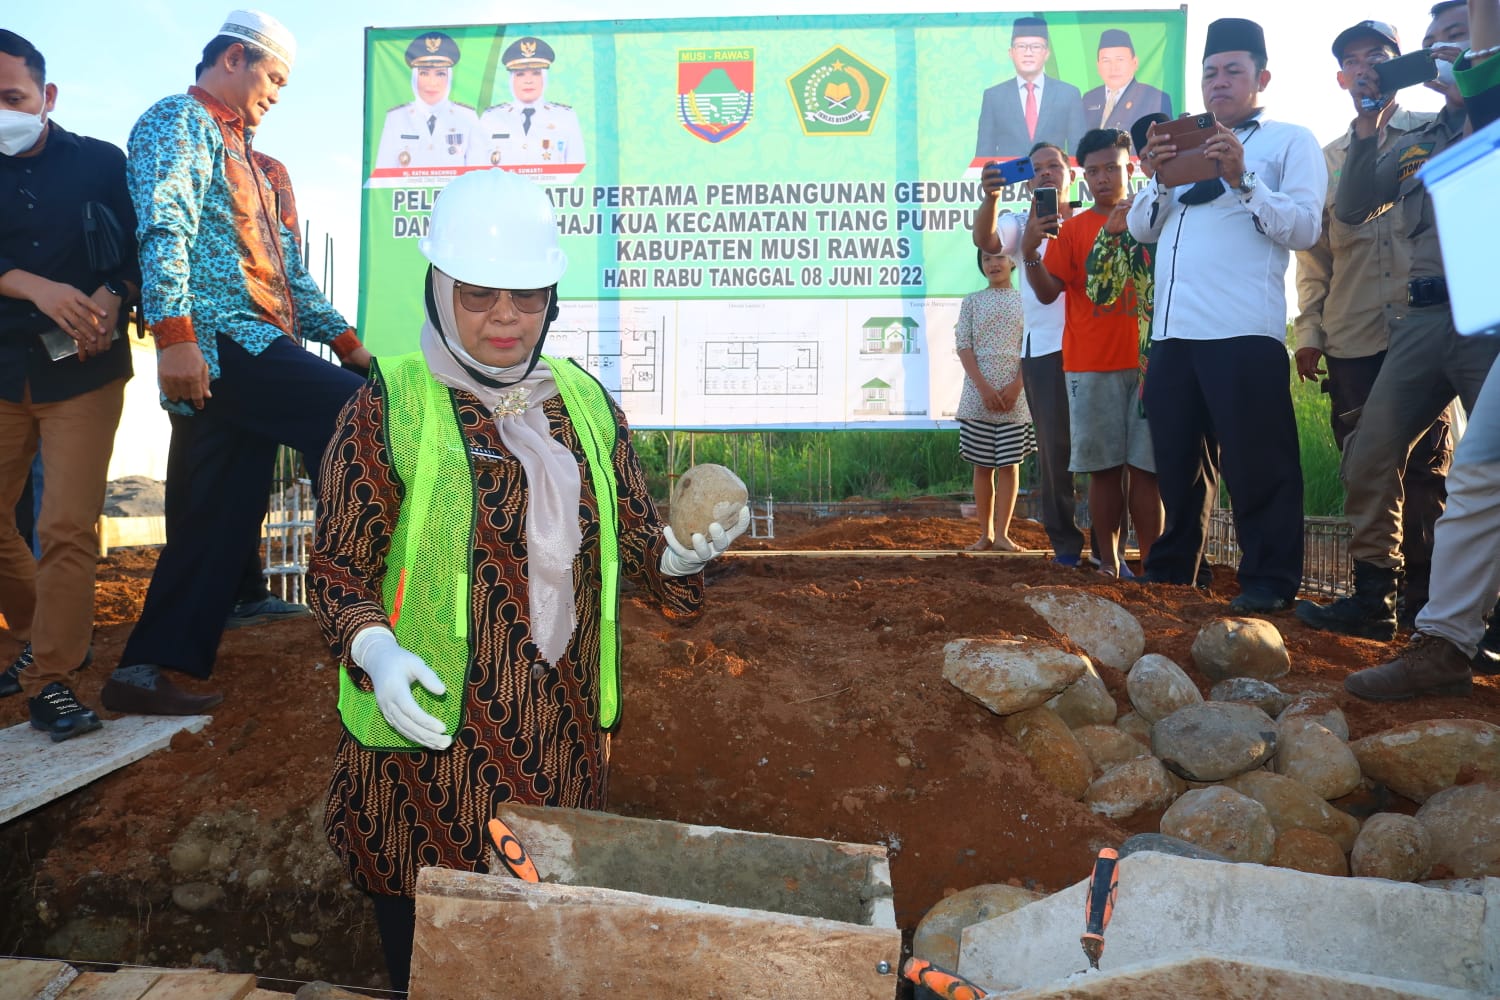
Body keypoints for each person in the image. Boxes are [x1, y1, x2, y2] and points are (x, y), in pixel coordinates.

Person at [308, 167, 747, 989]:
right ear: (439, 289)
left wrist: (677, 559)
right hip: (429, 747)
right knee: (432, 958)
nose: (505, 318)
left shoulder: (581, 403)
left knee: (541, 956)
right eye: (478, 295)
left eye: (528, 296)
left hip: (558, 739)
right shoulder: (389, 403)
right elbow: (336, 566)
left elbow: (629, 542)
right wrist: (374, 651)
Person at [103, 9, 371, 716]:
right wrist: (174, 337)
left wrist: (348, 344)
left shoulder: (256, 163)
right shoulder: (177, 122)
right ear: (232, 59)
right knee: (356, 417)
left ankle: (142, 670)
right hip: (223, 339)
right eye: (273, 77)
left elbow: (293, 282)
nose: (277, 94)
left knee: (220, 512)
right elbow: (163, 228)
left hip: (254, 340)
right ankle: (363, 593)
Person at [1297, 0, 1500, 645]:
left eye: (1456, 37)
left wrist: (1478, 85)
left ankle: (1482, 617)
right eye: (1433, 39)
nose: (1442, 48)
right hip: (1420, 320)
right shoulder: (1419, 139)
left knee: (1482, 471)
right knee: (1370, 454)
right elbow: (1354, 205)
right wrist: (1366, 126)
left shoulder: (1490, 115)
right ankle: (1373, 597)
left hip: (1486, 320)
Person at [1128, 17, 1326, 613]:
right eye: (1210, 72)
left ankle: (1268, 581)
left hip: (1243, 332)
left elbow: (1304, 227)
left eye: (1233, 71)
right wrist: (1159, 177)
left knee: (1257, 464)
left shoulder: (1290, 141)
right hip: (1172, 336)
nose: (1219, 82)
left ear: (1261, 77)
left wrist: (1243, 176)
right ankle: (1173, 572)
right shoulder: (1182, 142)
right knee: (1179, 466)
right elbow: (1141, 226)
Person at [0, 29, 137, 740]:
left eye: (11, 97)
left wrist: (113, 296)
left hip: (83, 367)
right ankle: (31, 633)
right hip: (2, 365)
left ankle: (50, 677)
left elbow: (147, 247)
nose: (2, 112)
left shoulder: (102, 163)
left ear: (46, 96)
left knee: (64, 526)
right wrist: (31, 285)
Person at [1022, 128, 1161, 577]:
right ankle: (1109, 563)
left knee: (1146, 473)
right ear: (1083, 175)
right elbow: (1047, 294)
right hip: (1089, 366)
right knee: (1102, 471)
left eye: (1112, 169)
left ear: (1131, 168)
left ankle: (1152, 568)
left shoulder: (1151, 218)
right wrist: (1029, 253)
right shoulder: (1074, 229)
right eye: (1094, 171)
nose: (1103, 178)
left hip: (1147, 365)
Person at [973, 143, 1086, 567]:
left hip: (1097, 349)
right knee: (1056, 454)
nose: (1044, 174)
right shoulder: (1018, 224)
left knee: (1109, 454)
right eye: (1036, 169)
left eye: (1053, 166)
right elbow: (986, 239)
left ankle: (1114, 548)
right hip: (1044, 351)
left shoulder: (1089, 218)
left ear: (1070, 175)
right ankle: (1067, 548)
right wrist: (991, 197)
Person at [954, 249, 1034, 552]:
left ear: (1013, 261)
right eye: (986, 258)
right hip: (978, 397)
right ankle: (985, 534)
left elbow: (1032, 345)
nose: (993, 264)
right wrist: (984, 388)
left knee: (1010, 466)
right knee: (982, 466)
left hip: (1017, 397)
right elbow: (964, 346)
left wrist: (1016, 385)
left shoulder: (1027, 300)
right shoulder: (972, 301)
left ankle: (1003, 535)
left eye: (999, 257)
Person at [976, 17, 1087, 161]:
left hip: (1053, 180)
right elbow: (984, 154)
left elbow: (1077, 150)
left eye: (1035, 47)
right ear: (1011, 53)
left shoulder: (1068, 94)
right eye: (1021, 46)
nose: (1028, 53)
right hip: (1009, 180)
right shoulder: (994, 96)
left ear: (1046, 53)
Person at [373, 30, 479, 170]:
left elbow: (478, 172)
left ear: (449, 78)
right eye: (424, 73)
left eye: (440, 74)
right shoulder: (396, 118)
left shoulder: (467, 116)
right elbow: (382, 175)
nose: (432, 83)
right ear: (414, 77)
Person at [477, 36, 586, 167]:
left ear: (544, 78)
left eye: (536, 73)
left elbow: (577, 167)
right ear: (511, 80)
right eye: (520, 74)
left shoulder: (565, 117)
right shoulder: (491, 117)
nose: (528, 80)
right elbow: (479, 166)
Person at [1082, 29, 1174, 132]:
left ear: (1134, 62)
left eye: (1120, 60)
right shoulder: (1088, 98)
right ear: (1098, 65)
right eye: (1106, 61)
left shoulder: (1155, 98)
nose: (1113, 67)